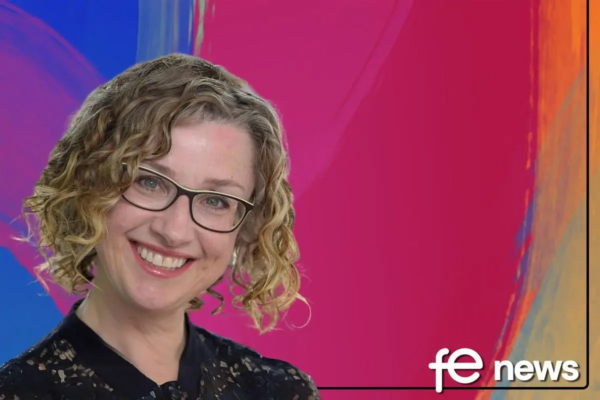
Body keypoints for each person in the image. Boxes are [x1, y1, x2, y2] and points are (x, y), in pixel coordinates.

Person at [0, 53, 320, 399]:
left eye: (216, 201)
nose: (174, 231)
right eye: (149, 182)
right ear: (89, 186)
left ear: (246, 227)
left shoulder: (282, 391)